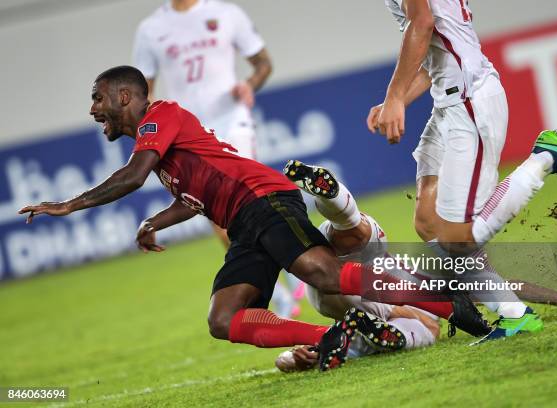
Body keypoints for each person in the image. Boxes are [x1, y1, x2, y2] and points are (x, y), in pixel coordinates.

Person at [18, 66, 489, 370]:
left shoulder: (159, 116)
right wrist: (155, 223)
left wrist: (68, 204)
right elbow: (195, 200)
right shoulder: (162, 153)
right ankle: (331, 338)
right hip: (243, 221)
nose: (93, 109)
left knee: (323, 275)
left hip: (262, 197)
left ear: (126, 96)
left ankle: (449, 304)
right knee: (223, 319)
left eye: (98, 98)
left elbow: (130, 178)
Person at [367, 0, 557, 342]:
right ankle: (514, 314)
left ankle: (547, 157)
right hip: (448, 103)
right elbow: (432, 50)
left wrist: (393, 96)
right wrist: (400, 98)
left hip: (469, 102)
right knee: (428, 222)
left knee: (457, 238)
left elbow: (422, 24)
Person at [277, 161, 440, 372]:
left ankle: (335, 200)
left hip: (335, 293)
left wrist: (297, 357)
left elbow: (283, 360)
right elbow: (431, 324)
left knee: (355, 231)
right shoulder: (426, 294)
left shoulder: (346, 340)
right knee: (355, 233)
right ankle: (332, 197)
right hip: (353, 287)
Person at [133, 0, 272, 247]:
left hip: (231, 121)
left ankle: (300, 277)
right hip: (189, 136)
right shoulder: (150, 29)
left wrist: (248, 85)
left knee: (253, 202)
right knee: (222, 221)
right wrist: (162, 127)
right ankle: (275, 287)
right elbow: (143, 93)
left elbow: (263, 63)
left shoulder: (227, 13)